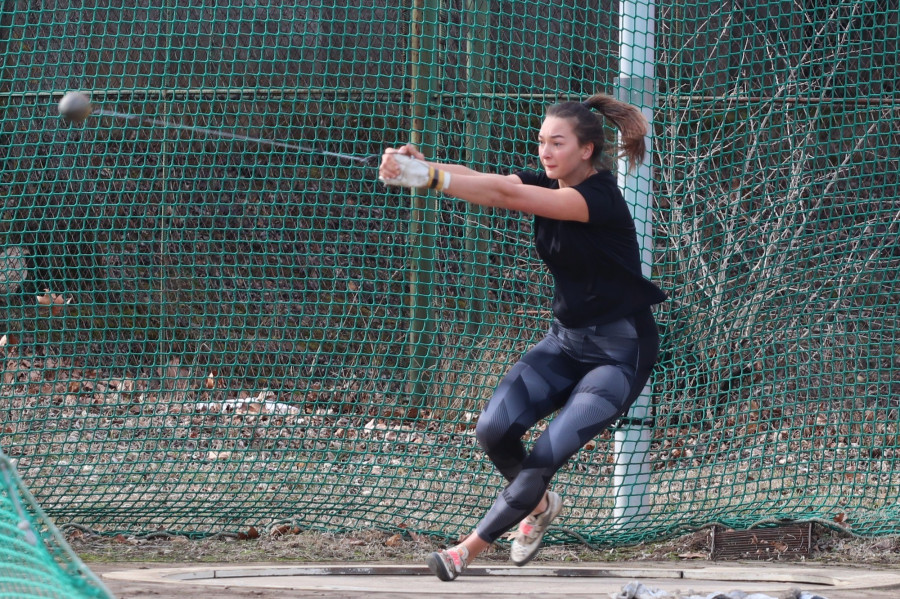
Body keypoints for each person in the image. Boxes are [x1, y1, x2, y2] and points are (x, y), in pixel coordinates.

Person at [378, 93, 667, 582]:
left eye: (558, 143)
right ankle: (540, 504)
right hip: (565, 343)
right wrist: (423, 166)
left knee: (547, 455)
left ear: (587, 151)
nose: (546, 152)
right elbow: (491, 181)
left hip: (619, 355)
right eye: (541, 142)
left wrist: (430, 181)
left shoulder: (596, 199)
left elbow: (508, 197)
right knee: (492, 431)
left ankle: (465, 550)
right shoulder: (551, 182)